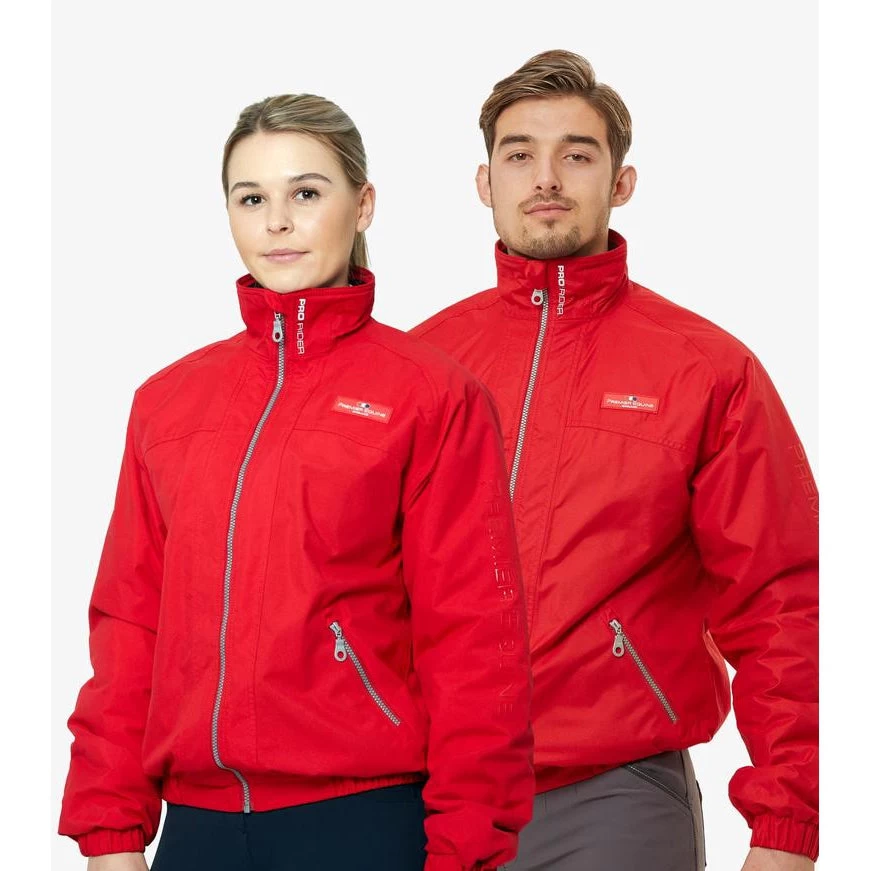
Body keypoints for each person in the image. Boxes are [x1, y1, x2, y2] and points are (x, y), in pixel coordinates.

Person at [58, 93, 534, 871]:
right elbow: (128, 625)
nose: (277, 222)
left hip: (362, 819)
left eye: (305, 193)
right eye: (252, 199)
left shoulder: (430, 394)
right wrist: (109, 831)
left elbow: (473, 642)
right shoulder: (168, 401)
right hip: (197, 829)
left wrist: (464, 848)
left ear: (362, 204)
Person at [411, 50, 818, 871]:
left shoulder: (705, 369)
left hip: (614, 795)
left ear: (620, 181)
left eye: (576, 153)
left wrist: (787, 825)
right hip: (424, 790)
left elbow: (781, 599)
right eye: (519, 154)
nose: (545, 177)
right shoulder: (422, 364)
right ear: (484, 182)